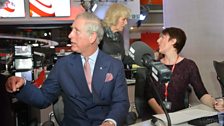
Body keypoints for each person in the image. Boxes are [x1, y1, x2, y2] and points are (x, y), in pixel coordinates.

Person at [5, 12, 130, 126]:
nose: (70, 35)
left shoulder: (114, 65)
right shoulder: (62, 65)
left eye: (76, 31)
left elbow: (121, 102)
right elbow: (43, 98)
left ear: (92, 37)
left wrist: (110, 122)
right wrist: (22, 86)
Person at [144, 27, 221, 119]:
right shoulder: (153, 65)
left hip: (179, 117)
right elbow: (149, 95)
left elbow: (202, 93)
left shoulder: (189, 66)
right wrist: (164, 116)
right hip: (157, 118)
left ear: (173, 41)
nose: (157, 40)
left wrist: (215, 103)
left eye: (162, 37)